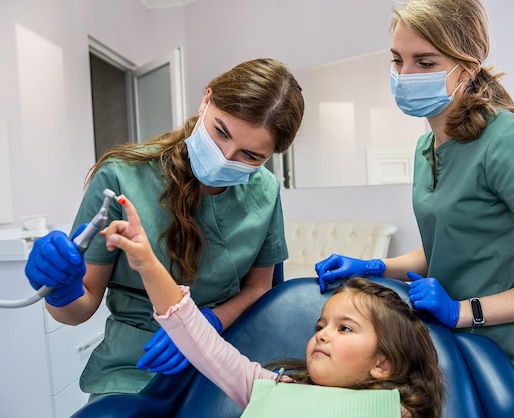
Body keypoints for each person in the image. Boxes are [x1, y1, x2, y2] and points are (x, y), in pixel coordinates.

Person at [315, 0, 514, 411]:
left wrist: (464, 310)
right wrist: (377, 267)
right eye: (398, 60)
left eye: (425, 62)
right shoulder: (426, 147)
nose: (405, 75)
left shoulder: (511, 139)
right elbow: (450, 250)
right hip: (452, 349)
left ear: (467, 69)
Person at [24, 58, 305, 399]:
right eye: (220, 131)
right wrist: (61, 290)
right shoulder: (121, 175)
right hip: (136, 364)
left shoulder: (267, 191)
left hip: (225, 357)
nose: (224, 156)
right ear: (206, 100)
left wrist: (205, 324)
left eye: (249, 155)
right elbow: (78, 310)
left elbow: (261, 288)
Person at [100, 195, 444, 418]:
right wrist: (146, 262)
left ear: (383, 364)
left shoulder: (396, 413)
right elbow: (200, 342)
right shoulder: (269, 386)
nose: (322, 335)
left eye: (345, 328)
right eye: (320, 327)